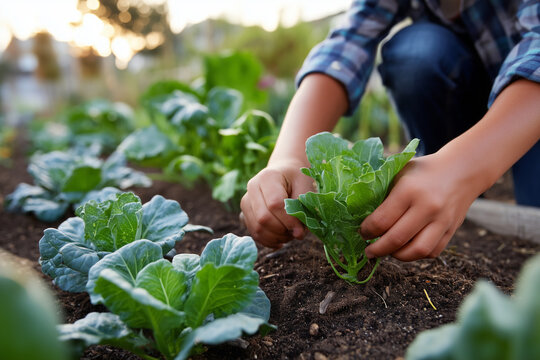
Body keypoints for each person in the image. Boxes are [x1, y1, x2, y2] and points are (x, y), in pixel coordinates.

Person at [240, 0, 540, 261]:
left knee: (532, 232)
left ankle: (454, 186)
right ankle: (448, 195)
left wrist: (463, 167)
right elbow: (347, 44)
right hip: (468, 96)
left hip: (529, 108)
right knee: (417, 52)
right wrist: (288, 157)